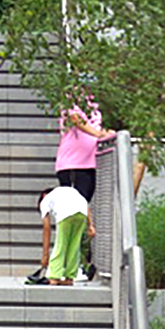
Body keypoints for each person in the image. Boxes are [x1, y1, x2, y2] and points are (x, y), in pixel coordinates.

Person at [55, 90, 114, 279]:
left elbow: (97, 132)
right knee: (71, 215)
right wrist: (99, 133)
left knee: (82, 214)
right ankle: (68, 265)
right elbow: (77, 121)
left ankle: (77, 264)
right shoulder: (69, 103)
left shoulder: (95, 109)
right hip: (71, 165)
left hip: (89, 165)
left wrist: (107, 134)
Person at [29, 183, 94, 286]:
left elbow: (47, 228)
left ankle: (54, 276)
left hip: (65, 214)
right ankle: (70, 276)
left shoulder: (45, 201)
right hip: (82, 213)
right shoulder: (65, 191)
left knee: (61, 245)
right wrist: (91, 225)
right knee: (74, 246)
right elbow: (85, 204)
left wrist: (45, 255)